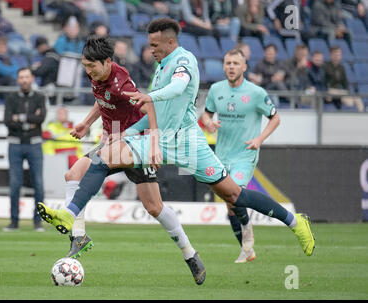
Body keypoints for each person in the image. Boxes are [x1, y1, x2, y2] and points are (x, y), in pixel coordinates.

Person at [37, 18, 315, 271]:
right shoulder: (160, 67)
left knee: (234, 195)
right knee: (101, 158)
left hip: (187, 141)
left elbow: (179, 88)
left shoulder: (185, 60)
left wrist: (150, 98)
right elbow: (155, 113)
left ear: (171, 42)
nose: (151, 50)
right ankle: (72, 216)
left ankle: (295, 222)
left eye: (155, 45)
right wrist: (127, 133)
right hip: (157, 138)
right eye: (149, 45)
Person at [37, 36, 206, 285]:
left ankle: (190, 254)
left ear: (107, 62)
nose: (88, 71)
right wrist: (87, 122)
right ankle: (79, 236)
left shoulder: (121, 82)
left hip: (134, 144)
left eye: (91, 66)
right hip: (111, 143)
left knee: (154, 207)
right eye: (85, 66)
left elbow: (148, 108)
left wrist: (153, 145)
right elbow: (102, 98)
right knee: (72, 175)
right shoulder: (97, 75)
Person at [199, 48, 281, 263]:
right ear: (224, 66)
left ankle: (247, 243)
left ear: (244, 67)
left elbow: (275, 118)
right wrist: (209, 124)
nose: (231, 67)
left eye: (236, 63)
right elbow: (206, 115)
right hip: (221, 155)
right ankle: (247, 246)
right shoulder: (216, 90)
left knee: (235, 196)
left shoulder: (255, 92)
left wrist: (259, 139)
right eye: (228, 63)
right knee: (230, 202)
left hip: (245, 154)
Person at [3, 67, 47, 232]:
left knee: (38, 184)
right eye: (21, 77)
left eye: (27, 77)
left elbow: (41, 118)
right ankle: (14, 221)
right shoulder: (11, 98)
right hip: (15, 143)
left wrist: (19, 117)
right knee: (15, 184)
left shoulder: (40, 97)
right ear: (18, 80)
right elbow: (7, 120)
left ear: (32, 78)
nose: (24, 80)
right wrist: (30, 120)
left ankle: (38, 221)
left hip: (34, 144)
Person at [323, 45, 364, 112]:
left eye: (339, 54)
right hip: (330, 91)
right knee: (349, 102)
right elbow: (323, 82)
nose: (337, 56)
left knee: (357, 98)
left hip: (339, 91)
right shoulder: (325, 66)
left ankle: (362, 116)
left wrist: (348, 92)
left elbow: (345, 83)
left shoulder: (341, 68)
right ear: (331, 55)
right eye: (335, 54)